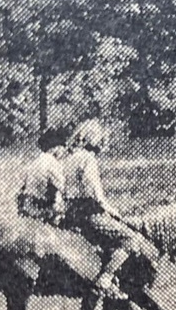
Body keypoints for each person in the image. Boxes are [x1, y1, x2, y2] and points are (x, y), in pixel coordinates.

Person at [61, 119, 152, 299]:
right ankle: (106, 278)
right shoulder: (88, 159)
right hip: (89, 214)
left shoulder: (68, 158)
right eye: (101, 138)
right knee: (131, 239)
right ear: (92, 138)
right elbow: (96, 194)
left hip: (71, 214)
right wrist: (113, 212)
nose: (103, 142)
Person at [17, 126, 68, 225]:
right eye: (62, 148)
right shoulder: (52, 162)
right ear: (56, 148)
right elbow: (64, 188)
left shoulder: (35, 161)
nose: (64, 152)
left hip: (27, 206)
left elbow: (21, 188)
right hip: (41, 207)